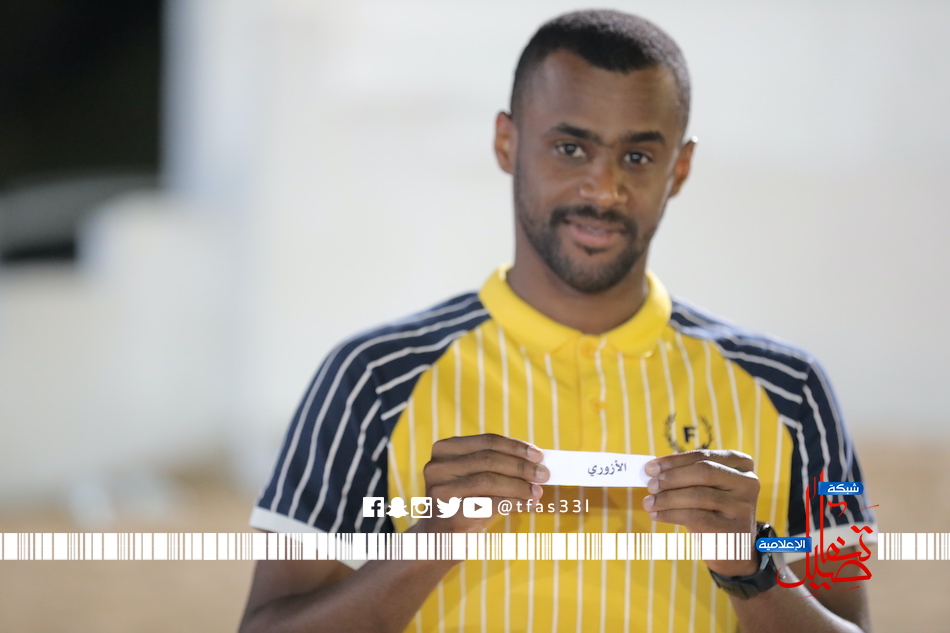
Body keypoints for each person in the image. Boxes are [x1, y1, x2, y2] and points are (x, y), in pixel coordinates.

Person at [238, 9, 875, 633]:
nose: (603, 189)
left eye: (637, 157)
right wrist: (430, 543)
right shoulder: (373, 380)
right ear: (506, 143)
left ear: (679, 169)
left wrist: (754, 568)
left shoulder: (792, 391)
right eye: (571, 148)